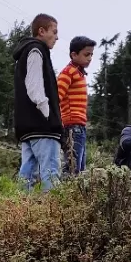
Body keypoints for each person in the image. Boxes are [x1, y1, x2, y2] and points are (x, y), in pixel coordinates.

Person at [13, 13, 62, 191]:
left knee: (27, 175)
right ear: (41, 31)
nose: (57, 37)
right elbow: (34, 86)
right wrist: (48, 115)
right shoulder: (36, 50)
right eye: (54, 32)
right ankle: (54, 214)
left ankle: (19, 212)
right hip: (42, 126)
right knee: (51, 173)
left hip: (27, 127)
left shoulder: (25, 53)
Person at [57, 36, 96, 175]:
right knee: (72, 167)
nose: (90, 58)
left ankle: (75, 195)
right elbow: (56, 97)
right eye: (86, 54)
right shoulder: (68, 72)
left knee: (79, 167)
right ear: (74, 54)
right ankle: (66, 195)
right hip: (71, 126)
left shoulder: (79, 73)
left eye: (91, 54)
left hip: (79, 125)